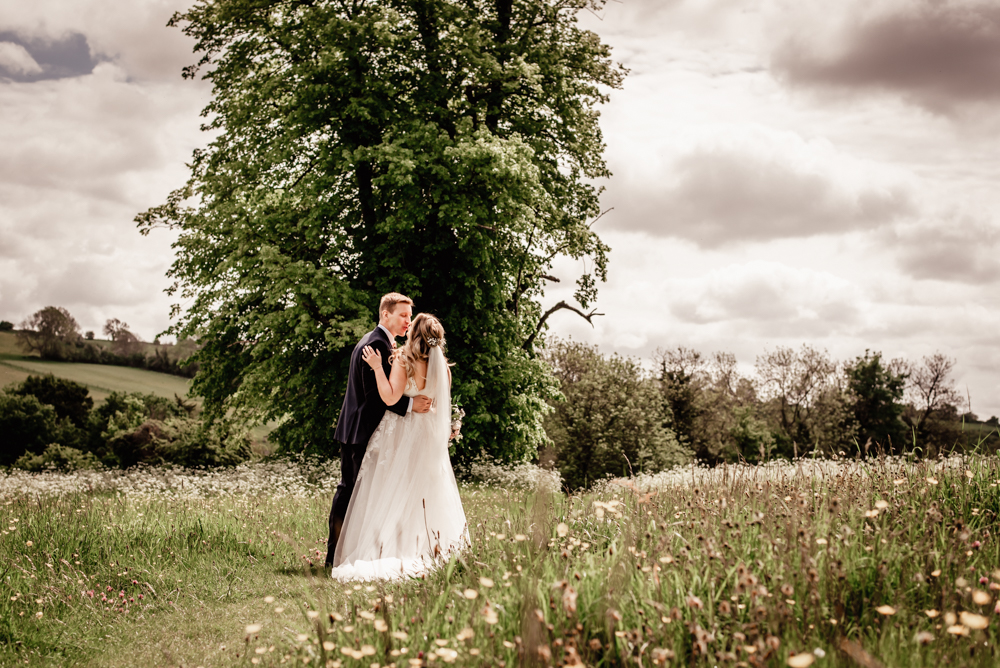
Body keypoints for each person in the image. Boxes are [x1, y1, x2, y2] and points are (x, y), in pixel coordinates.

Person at [330, 312, 468, 580]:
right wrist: (451, 426)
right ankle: (432, 550)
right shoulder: (445, 369)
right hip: (430, 438)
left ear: (414, 334)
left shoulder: (406, 361)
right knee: (425, 493)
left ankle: (390, 550)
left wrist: (378, 367)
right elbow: (440, 406)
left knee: (393, 490)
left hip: (404, 435)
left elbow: (390, 396)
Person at [323, 293, 432, 568]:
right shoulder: (377, 345)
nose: (408, 320)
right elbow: (377, 397)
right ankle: (336, 557)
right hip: (361, 433)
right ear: (386, 314)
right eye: (403, 315)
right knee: (353, 495)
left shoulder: (376, 340)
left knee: (350, 493)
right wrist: (410, 405)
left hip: (354, 430)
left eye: (409, 316)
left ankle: (339, 555)